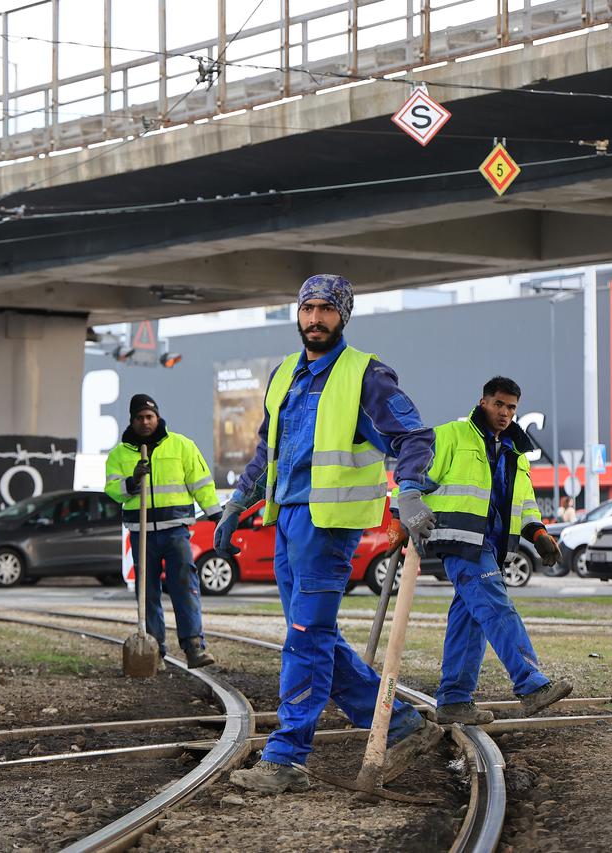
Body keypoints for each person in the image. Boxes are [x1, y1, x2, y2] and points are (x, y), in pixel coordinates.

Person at [215, 274, 444, 795]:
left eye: (326, 309)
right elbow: (265, 453)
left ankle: (287, 755)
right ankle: (402, 723)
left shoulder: (365, 375)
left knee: (303, 636)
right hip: (288, 520)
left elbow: (412, 435)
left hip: (329, 526)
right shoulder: (282, 375)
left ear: (344, 316)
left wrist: (408, 490)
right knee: (312, 631)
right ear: (297, 314)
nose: (315, 318)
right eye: (307, 308)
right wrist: (236, 504)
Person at [399, 377, 572, 725]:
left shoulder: (514, 450)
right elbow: (414, 471)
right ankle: (531, 683)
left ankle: (454, 700)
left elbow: (523, 500)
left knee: (471, 619)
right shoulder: (453, 435)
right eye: (499, 404)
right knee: (495, 606)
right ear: (483, 402)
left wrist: (536, 530)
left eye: (511, 407)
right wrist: (405, 503)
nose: (505, 413)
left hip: (491, 547)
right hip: (459, 539)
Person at [105, 394, 222, 670]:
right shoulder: (119, 455)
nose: (145, 422)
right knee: (147, 593)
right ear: (132, 420)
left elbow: (201, 483)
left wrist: (216, 514)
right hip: (141, 531)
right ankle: (154, 651)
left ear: (157, 417)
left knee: (185, 585)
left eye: (149, 416)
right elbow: (112, 491)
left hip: (176, 530)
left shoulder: (182, 446)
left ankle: (194, 646)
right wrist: (132, 481)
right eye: (140, 418)